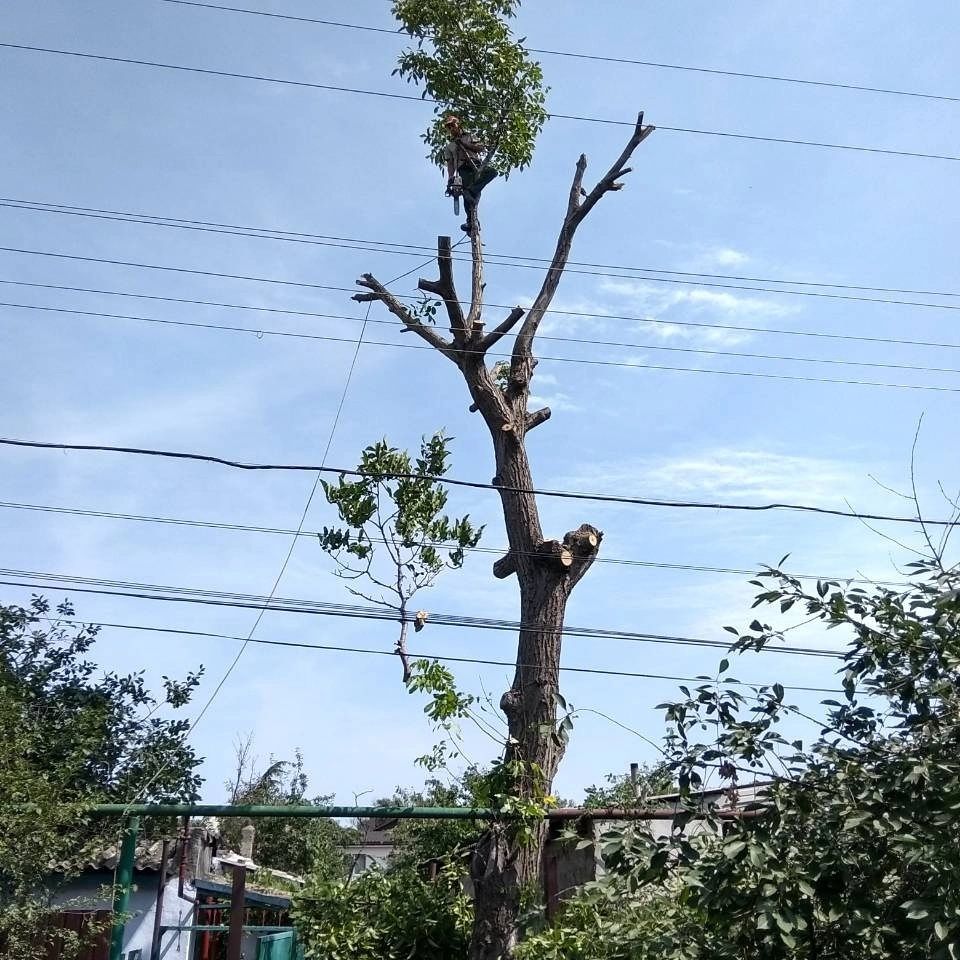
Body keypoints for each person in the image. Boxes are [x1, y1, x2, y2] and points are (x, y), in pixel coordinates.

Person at [442, 114, 498, 231]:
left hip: (477, 165)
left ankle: (471, 190)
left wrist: (464, 144)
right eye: (449, 128)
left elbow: (481, 148)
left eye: (453, 126)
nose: (452, 129)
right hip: (463, 169)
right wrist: (450, 179)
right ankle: (471, 222)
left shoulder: (470, 136)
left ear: (458, 125)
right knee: (469, 198)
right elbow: (450, 165)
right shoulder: (449, 147)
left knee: (492, 172)